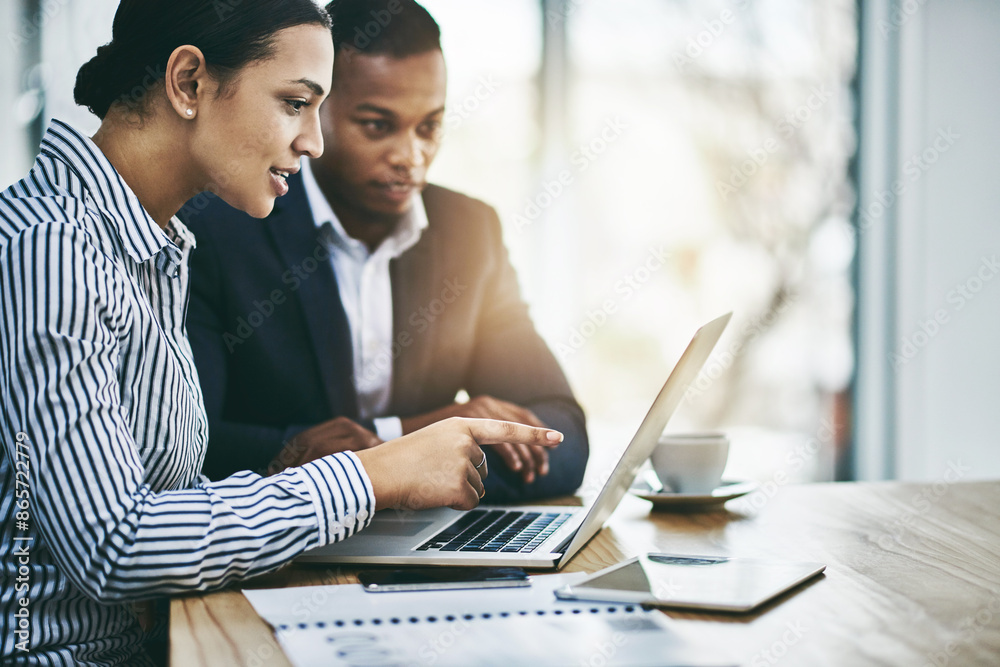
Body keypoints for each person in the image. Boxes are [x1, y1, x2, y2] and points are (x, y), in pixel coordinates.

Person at [0, 1, 561, 664]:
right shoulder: (51, 250)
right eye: (295, 102)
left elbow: (166, 503)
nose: (314, 141)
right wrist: (369, 475)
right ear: (188, 84)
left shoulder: (148, 244)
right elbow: (114, 545)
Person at [181, 0, 589, 501]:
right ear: (317, 109)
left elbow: (560, 435)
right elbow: (194, 450)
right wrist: (414, 438)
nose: (409, 158)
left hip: (427, 547)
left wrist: (376, 458)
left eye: (429, 127)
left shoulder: (469, 231)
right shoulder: (218, 228)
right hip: (284, 552)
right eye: (377, 125)